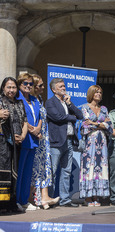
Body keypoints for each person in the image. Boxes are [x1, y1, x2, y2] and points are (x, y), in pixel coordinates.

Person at [46, 78, 83, 207]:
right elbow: (58, 117)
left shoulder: (67, 103)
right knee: (53, 171)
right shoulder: (50, 102)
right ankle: (49, 198)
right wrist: (72, 118)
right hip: (56, 142)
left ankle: (65, 199)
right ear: (53, 89)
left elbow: (80, 115)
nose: (63, 88)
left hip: (69, 140)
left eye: (64, 86)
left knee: (66, 171)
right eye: (60, 86)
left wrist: (70, 103)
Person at [80, 85, 112, 207]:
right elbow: (86, 125)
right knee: (90, 167)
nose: (98, 94)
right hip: (90, 141)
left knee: (100, 167)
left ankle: (97, 195)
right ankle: (88, 197)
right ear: (91, 93)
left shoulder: (104, 109)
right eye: (96, 92)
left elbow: (109, 125)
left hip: (102, 142)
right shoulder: (85, 108)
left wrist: (94, 123)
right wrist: (100, 124)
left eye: (100, 92)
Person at [30, 74, 59, 209]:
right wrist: (35, 129)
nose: (43, 88)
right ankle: (31, 197)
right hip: (35, 136)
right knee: (35, 168)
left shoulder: (39, 99)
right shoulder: (29, 100)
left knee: (45, 166)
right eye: (40, 85)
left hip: (43, 138)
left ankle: (45, 197)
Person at [0, 77, 27, 213]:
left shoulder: (20, 103)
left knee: (14, 173)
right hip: (2, 143)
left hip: (17, 144)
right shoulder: (0, 101)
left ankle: (11, 203)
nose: (11, 90)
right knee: (3, 172)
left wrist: (22, 135)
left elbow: (25, 122)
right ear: (3, 88)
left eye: (14, 87)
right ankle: (1, 204)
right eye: (8, 87)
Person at [16, 73, 42, 210]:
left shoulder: (34, 99)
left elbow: (40, 116)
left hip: (34, 140)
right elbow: (20, 118)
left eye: (30, 84)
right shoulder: (17, 99)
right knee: (19, 172)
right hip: (23, 138)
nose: (28, 86)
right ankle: (17, 201)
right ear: (19, 85)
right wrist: (32, 129)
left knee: (28, 173)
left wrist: (38, 128)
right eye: (25, 83)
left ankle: (25, 200)